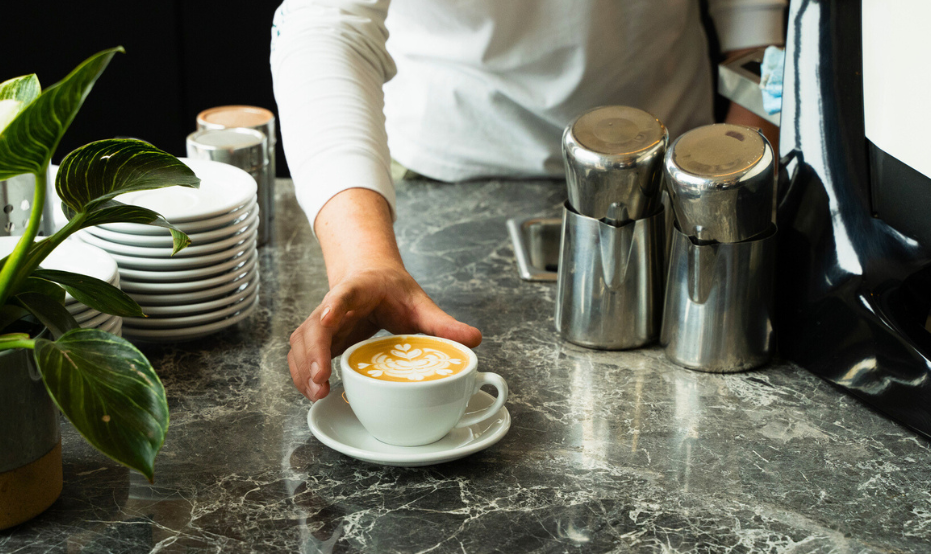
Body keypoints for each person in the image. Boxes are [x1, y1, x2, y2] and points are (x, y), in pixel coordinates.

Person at [270, 0, 786, 401]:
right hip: (437, 173)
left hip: (676, 183)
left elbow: (756, 26)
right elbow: (325, 28)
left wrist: (734, 181)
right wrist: (365, 260)